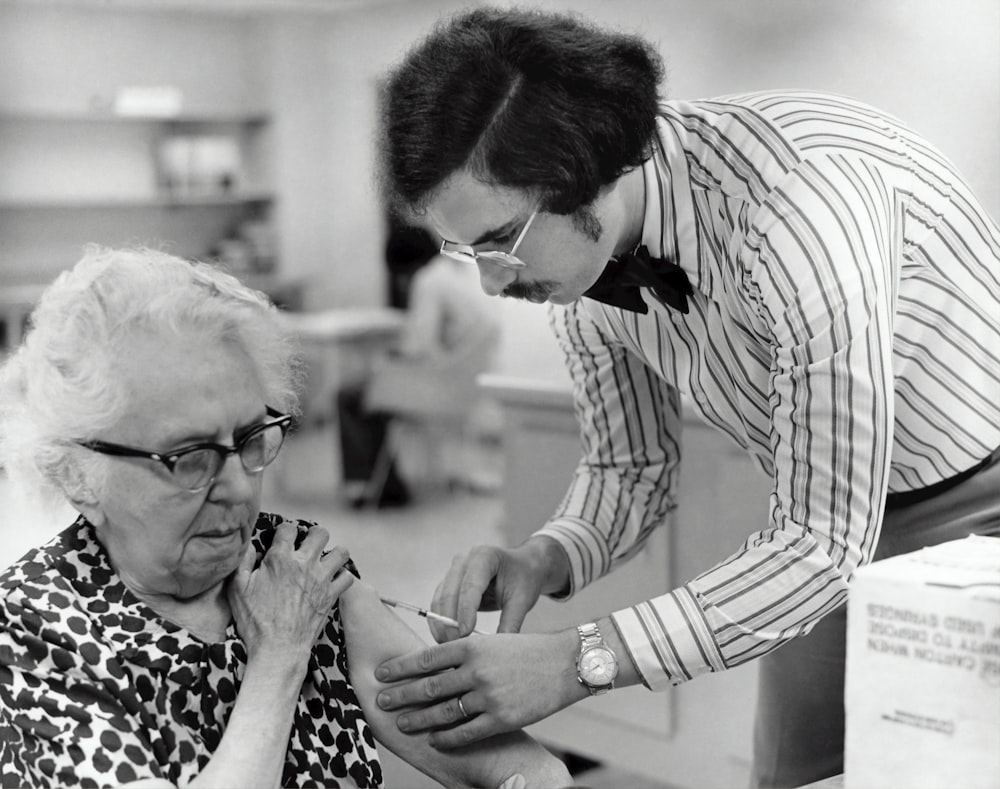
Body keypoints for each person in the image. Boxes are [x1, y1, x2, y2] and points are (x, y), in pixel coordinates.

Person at [367, 6, 1000, 788]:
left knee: (949, 768)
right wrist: (546, 553)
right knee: (793, 775)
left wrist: (580, 658)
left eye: (499, 240)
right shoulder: (584, 268)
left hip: (982, 500)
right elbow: (630, 466)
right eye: (463, 250)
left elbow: (819, 546)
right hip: (825, 518)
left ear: (593, 167)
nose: (491, 284)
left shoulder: (799, 213)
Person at [0, 246, 571, 789]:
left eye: (249, 438)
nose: (236, 487)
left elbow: (494, 752)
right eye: (188, 458)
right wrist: (278, 655)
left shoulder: (287, 560)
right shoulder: (30, 636)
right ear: (78, 475)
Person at [337, 225, 502, 506]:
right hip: (465, 386)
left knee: (351, 396)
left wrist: (388, 354)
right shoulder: (454, 272)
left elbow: (418, 346)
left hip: (437, 388)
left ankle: (370, 486)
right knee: (369, 389)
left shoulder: (427, 281)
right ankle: (381, 482)